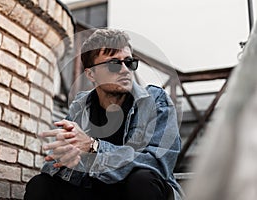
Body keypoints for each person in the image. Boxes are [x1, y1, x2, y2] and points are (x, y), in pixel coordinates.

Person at [24, 28, 183, 200]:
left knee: (142, 180)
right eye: (114, 64)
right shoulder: (80, 106)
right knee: (40, 184)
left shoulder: (155, 101)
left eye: (129, 62)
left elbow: (157, 163)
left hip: (137, 190)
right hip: (95, 190)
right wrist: (66, 159)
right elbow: (53, 166)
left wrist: (94, 147)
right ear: (91, 74)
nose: (124, 70)